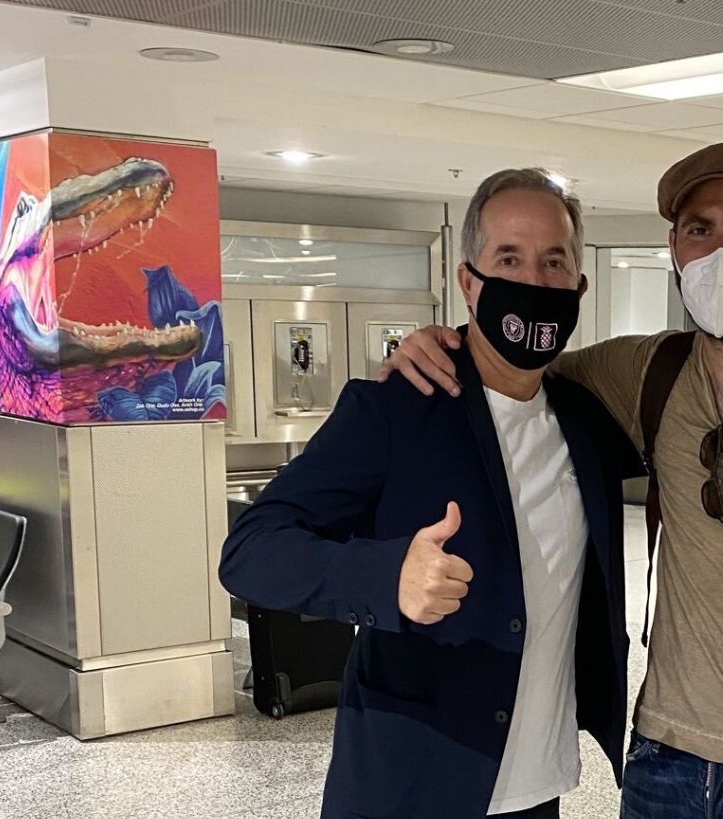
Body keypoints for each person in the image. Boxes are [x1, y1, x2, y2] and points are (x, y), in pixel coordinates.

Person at [381, 138, 723, 818]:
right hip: (665, 761)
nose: (722, 255)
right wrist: (435, 342)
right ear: (674, 247)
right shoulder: (649, 372)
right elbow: (514, 362)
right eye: (700, 230)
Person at [221, 168, 643, 819]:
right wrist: (385, 575)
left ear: (579, 285)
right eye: (509, 258)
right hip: (411, 783)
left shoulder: (587, 420)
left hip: (538, 787)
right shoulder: (396, 410)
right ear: (468, 282)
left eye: (554, 262)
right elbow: (250, 550)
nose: (534, 281)